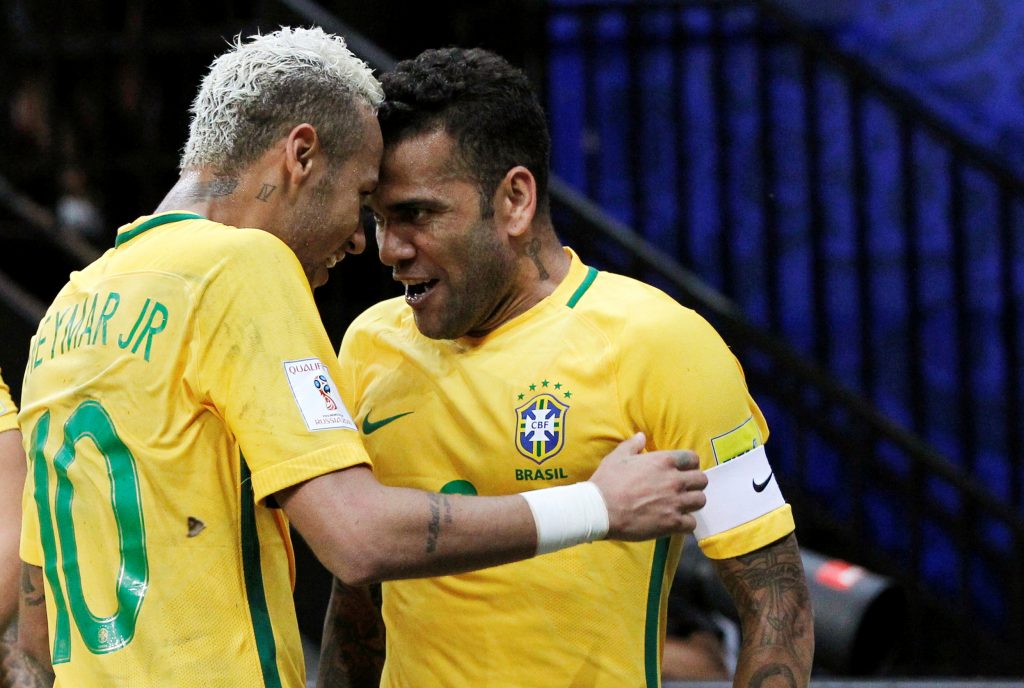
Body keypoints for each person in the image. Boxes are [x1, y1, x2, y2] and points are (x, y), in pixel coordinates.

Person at [11, 27, 709, 688]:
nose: (361, 242)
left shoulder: (72, 307)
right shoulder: (241, 266)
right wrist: (597, 505)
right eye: (364, 198)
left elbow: (36, 628)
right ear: (301, 155)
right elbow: (357, 538)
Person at [318, 47, 814, 687]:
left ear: (516, 201)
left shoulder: (661, 345)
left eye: (416, 214)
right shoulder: (368, 343)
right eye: (379, 219)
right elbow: (358, 601)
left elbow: (776, 599)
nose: (389, 249)